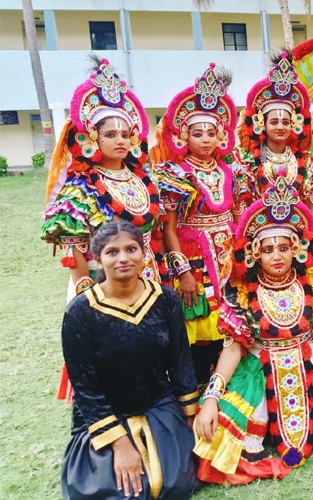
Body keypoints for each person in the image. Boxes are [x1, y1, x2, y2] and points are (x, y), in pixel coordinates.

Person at [193, 178, 313, 483]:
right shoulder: (241, 292)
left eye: (284, 248)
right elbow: (234, 347)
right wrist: (212, 395)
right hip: (258, 366)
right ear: (254, 254)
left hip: (311, 358)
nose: (276, 256)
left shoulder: (312, 285)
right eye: (268, 249)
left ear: (297, 250)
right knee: (221, 423)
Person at [42, 58, 161, 402]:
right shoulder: (80, 188)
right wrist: (87, 297)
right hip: (100, 283)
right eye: (110, 134)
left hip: (148, 275)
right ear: (91, 137)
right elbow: (75, 251)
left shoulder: (143, 180)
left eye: (126, 134)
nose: (120, 141)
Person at [60, 222, 200, 500]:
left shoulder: (165, 299)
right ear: (98, 259)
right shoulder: (80, 312)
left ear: (143, 253)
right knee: (115, 492)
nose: (123, 258)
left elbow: (180, 361)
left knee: (177, 483)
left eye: (131, 249)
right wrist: (120, 444)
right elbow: (86, 389)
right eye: (112, 252)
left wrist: (190, 419)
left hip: (159, 407)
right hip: (105, 415)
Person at [150, 63, 245, 386]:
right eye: (197, 133)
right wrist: (183, 273)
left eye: (211, 133)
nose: (206, 140)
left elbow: (237, 216)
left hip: (229, 255)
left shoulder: (231, 170)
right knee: (200, 326)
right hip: (195, 259)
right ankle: (196, 390)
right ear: (183, 136)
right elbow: (168, 229)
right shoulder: (174, 175)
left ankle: (227, 387)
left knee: (231, 323)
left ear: (222, 135)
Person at [234, 51, 313, 218]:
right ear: (262, 124)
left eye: (286, 122)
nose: (280, 127)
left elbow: (312, 207)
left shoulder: (306, 162)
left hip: (297, 236)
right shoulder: (247, 162)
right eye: (274, 122)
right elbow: (243, 209)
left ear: (294, 124)